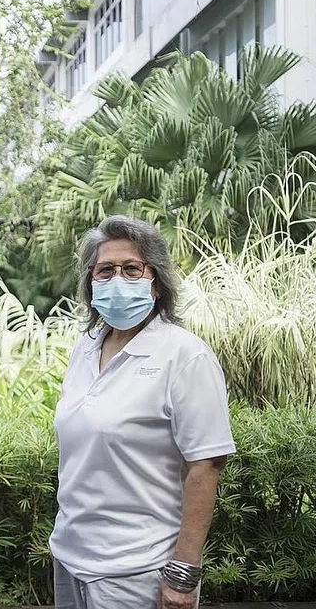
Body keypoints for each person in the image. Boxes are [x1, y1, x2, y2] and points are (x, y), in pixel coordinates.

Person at [50, 215, 235, 609]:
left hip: (139, 571)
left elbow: (206, 465)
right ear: (91, 281)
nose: (118, 278)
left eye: (132, 268)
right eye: (105, 270)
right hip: (70, 559)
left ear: (156, 281)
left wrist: (183, 575)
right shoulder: (85, 348)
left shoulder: (185, 356)